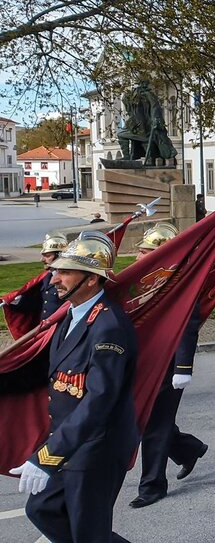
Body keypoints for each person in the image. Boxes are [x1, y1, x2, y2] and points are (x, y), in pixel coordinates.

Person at [11, 232, 137, 543]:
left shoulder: (108, 327)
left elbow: (99, 401)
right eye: (56, 270)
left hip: (96, 449)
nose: (54, 279)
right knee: (43, 510)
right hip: (71, 444)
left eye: (65, 271)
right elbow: (46, 371)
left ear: (91, 280)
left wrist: (48, 456)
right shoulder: (71, 316)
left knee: (87, 533)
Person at [129, 224, 208, 509]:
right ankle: (189, 448)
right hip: (142, 362)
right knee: (148, 421)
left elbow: (189, 325)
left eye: (144, 251)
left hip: (167, 365)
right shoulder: (143, 281)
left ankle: (152, 486)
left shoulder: (181, 284)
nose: (138, 256)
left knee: (155, 424)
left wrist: (183, 366)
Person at [8, 233, 68, 321]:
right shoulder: (46, 277)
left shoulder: (69, 279)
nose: (42, 260)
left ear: (60, 256)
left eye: (47, 256)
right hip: (44, 328)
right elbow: (40, 304)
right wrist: (13, 300)